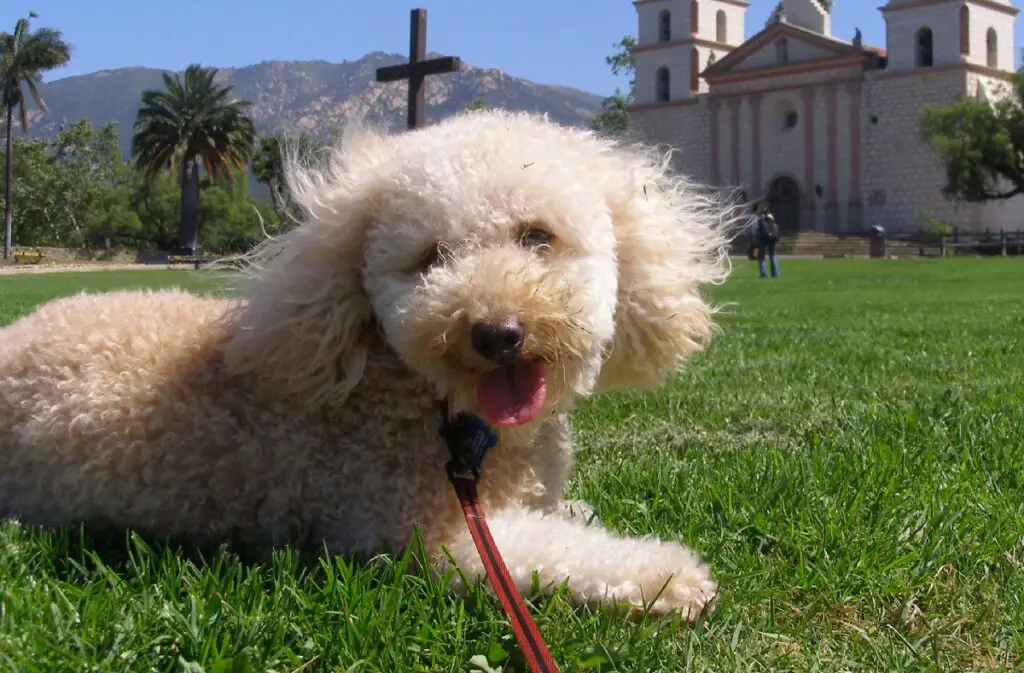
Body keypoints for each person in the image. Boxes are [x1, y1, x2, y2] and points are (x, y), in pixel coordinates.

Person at [753, 202, 781, 278]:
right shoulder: (771, 217)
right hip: (773, 238)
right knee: (772, 255)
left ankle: (763, 274)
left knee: (761, 257)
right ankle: (776, 274)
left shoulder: (758, 218)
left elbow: (755, 229)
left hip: (762, 238)